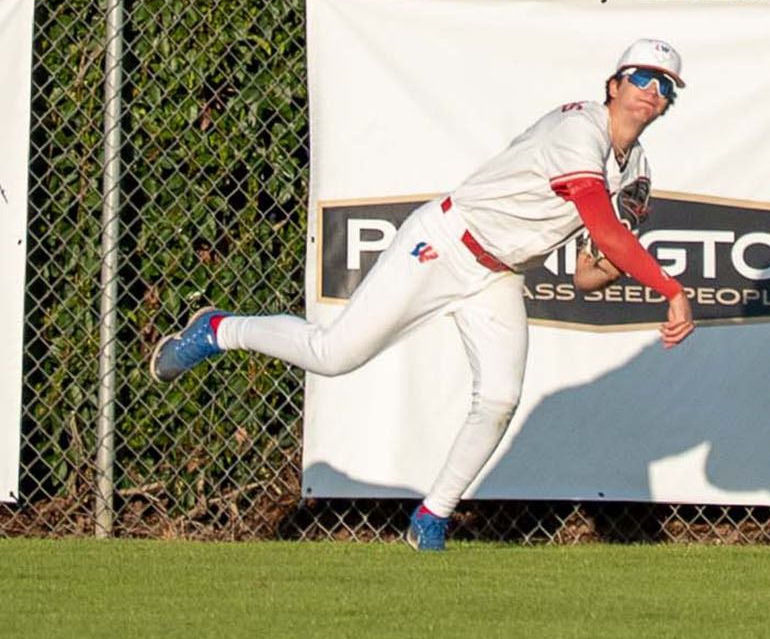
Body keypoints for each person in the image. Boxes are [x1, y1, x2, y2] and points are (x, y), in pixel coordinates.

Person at [151, 37, 694, 551]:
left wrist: (616, 265)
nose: (652, 90)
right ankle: (220, 329)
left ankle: (431, 517)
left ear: (669, 104)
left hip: (499, 275)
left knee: (499, 398)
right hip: (446, 244)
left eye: (665, 85)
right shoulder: (579, 130)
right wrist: (668, 288)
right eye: (641, 77)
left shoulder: (635, 167)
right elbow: (607, 231)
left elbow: (586, 274)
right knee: (334, 354)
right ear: (614, 85)